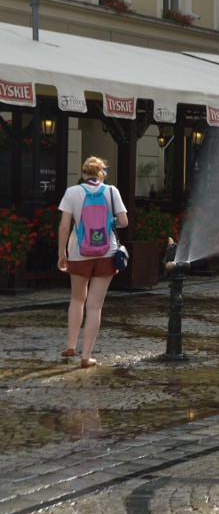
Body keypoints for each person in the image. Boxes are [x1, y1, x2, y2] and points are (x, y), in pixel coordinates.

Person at [57, 156, 129, 368]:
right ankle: (86, 357)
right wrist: (108, 222)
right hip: (107, 253)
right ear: (102, 174)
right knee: (95, 306)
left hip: (79, 252)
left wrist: (62, 252)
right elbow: (124, 221)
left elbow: (63, 226)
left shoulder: (72, 192)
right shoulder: (111, 191)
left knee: (77, 299)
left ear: (84, 173)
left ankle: (71, 344)